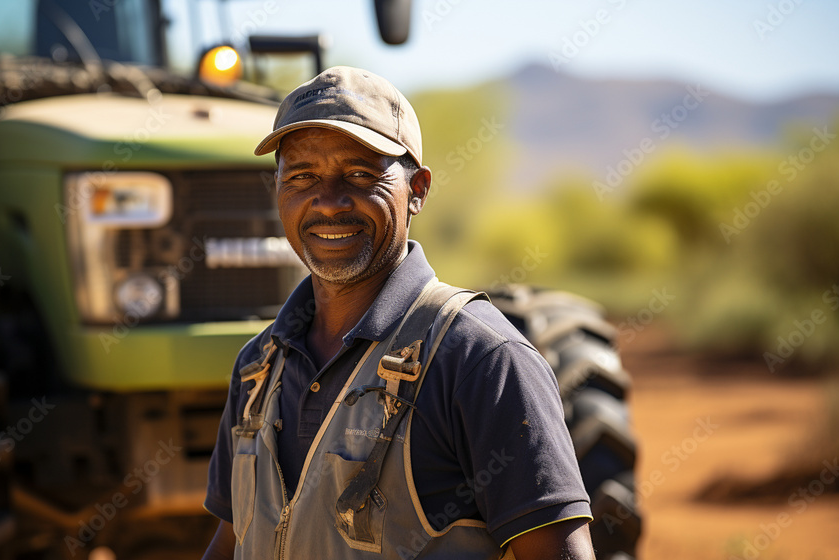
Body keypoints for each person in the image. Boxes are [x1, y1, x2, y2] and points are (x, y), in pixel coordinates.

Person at [202, 66, 595, 560]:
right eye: (302, 176)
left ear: (418, 190)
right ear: (278, 189)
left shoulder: (480, 359)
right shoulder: (258, 367)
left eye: (361, 174)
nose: (329, 203)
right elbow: (232, 541)